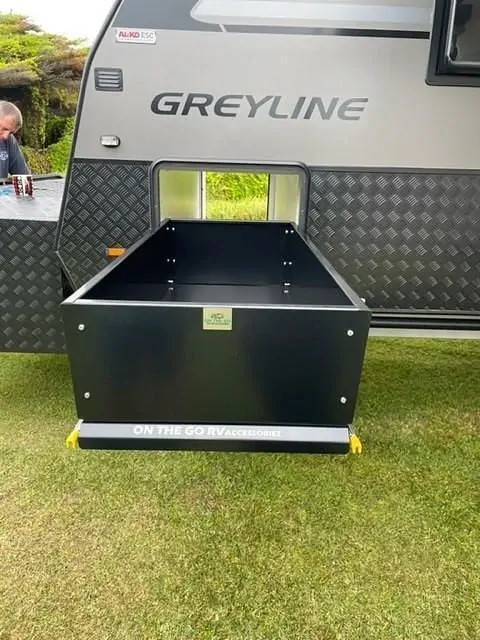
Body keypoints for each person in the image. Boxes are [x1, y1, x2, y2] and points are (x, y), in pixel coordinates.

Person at [0, 100, 30, 179]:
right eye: (4, 129)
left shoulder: (9, 141)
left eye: (11, 132)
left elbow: (23, 177)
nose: (6, 136)